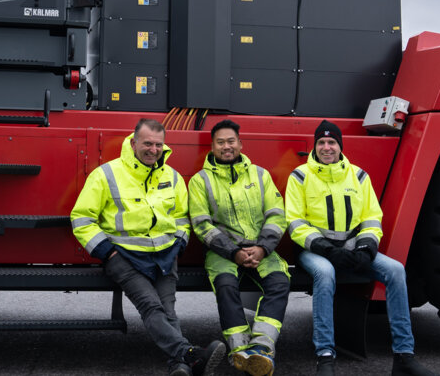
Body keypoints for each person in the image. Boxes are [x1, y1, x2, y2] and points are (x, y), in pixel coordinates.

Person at [71, 118, 226, 376]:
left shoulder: (172, 177)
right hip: (124, 257)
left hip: (165, 256)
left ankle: (182, 364)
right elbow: (81, 219)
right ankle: (191, 354)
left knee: (168, 310)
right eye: (147, 144)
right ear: (133, 143)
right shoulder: (106, 174)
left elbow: (181, 218)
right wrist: (108, 253)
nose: (153, 150)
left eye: (158, 145)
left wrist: (179, 244)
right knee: (151, 307)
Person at [285, 120, 438, 376]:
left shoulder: (358, 176)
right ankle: (325, 357)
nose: (326, 147)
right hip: (314, 252)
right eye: (321, 142)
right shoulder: (300, 176)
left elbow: (371, 218)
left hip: (353, 249)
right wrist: (327, 250)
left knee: (396, 270)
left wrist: (366, 249)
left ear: (340, 146)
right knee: (325, 273)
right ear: (315, 146)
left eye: (331, 142)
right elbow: (295, 222)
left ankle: (404, 357)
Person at [189, 119, 289, 376]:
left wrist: (263, 248)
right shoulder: (200, 181)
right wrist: (233, 252)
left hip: (260, 249)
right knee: (225, 286)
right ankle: (240, 351)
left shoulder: (260, 175)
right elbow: (201, 225)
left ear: (240, 144)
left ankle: (261, 348)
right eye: (220, 142)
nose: (226, 146)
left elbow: (277, 215)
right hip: (223, 253)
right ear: (212, 147)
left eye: (231, 141)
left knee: (279, 282)